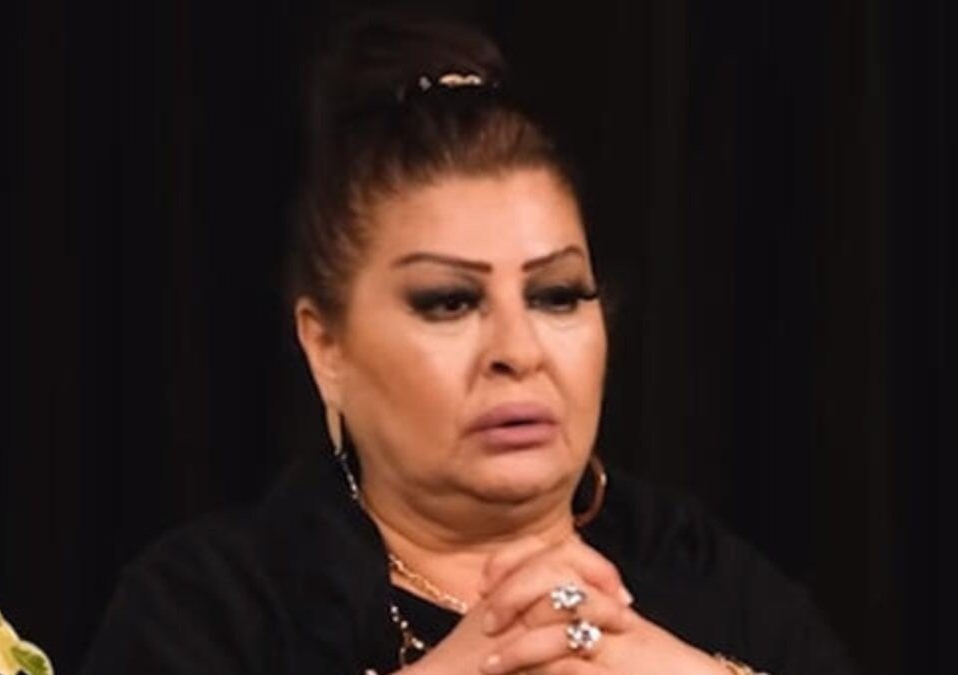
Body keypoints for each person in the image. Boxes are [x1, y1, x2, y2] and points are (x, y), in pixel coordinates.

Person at [81, 12, 858, 675]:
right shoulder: (213, 607)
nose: (518, 350)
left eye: (557, 295)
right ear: (327, 347)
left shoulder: (712, 581)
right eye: (449, 302)